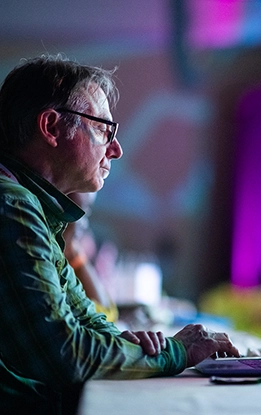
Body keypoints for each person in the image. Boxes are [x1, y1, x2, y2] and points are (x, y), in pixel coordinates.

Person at [0, 54, 239, 414]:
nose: (116, 149)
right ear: (50, 127)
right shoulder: (13, 204)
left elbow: (88, 319)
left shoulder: (36, 209)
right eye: (103, 130)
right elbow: (65, 353)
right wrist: (176, 352)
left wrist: (131, 345)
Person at [63, 192, 119, 322]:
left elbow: (107, 314)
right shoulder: (47, 257)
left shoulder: (71, 258)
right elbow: (102, 318)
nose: (83, 223)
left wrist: (75, 253)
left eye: (86, 213)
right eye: (77, 209)